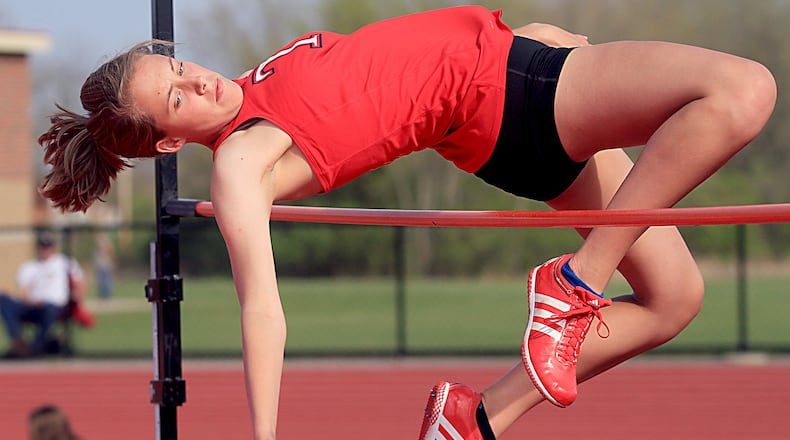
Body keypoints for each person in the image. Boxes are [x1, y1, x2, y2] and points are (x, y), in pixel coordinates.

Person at [36, 5, 776, 439]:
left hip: (514, 77)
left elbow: (377, 83)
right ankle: (576, 285)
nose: (198, 79)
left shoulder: (254, 87)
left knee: (676, 298)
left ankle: (472, 420)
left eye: (180, 69)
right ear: (171, 141)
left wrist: (537, 36)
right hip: (506, 94)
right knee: (741, 91)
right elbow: (262, 307)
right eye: (178, 99)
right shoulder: (240, 162)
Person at [0, 232, 86, 358]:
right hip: (33, 306)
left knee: (50, 308)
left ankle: (36, 346)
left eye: (48, 246)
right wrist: (33, 302)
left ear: (53, 247)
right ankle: (18, 343)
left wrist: (76, 301)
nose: (45, 249)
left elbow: (80, 284)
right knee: (3, 299)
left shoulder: (65, 262)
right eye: (42, 246)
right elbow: (23, 293)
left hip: (57, 307)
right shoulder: (29, 267)